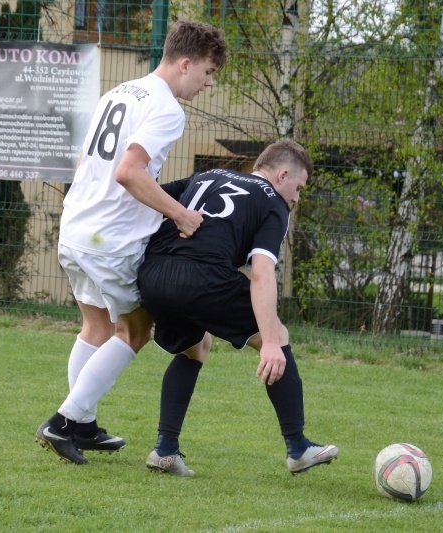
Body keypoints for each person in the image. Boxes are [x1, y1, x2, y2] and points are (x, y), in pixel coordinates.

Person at [35, 21, 228, 465]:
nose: (209, 82)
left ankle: (82, 424)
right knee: (136, 330)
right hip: (110, 238)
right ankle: (64, 421)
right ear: (185, 63)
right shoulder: (166, 108)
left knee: (96, 328)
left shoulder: (120, 91)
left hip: (78, 225)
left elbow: (86, 161)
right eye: (207, 72)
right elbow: (129, 172)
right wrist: (180, 214)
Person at [137, 139, 339, 476]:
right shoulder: (274, 202)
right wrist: (270, 342)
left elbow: (148, 194)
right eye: (299, 188)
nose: (297, 198)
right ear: (283, 175)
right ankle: (299, 449)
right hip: (200, 278)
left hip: (153, 274)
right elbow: (261, 272)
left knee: (195, 347)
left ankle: (165, 450)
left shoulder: (207, 175)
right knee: (277, 332)